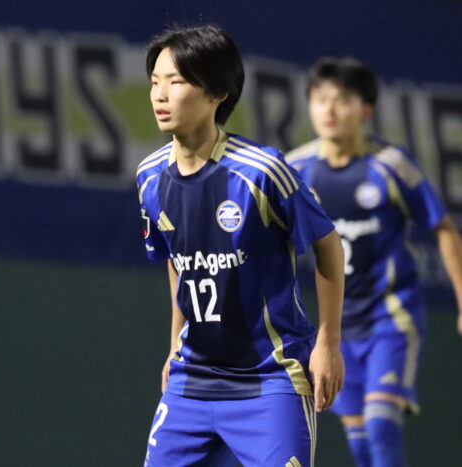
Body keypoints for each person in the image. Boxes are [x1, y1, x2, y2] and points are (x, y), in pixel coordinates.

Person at [137, 25, 345, 467]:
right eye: (155, 82)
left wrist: (328, 342)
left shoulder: (262, 172)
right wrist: (174, 344)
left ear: (218, 93)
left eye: (176, 81)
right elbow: (178, 260)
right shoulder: (149, 178)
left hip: (270, 381)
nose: (160, 95)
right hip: (192, 382)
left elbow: (328, 245)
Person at [286, 57, 462, 467]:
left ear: (366, 109)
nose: (329, 110)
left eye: (342, 100)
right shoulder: (295, 170)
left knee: (381, 427)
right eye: (320, 99)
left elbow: (443, 227)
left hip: (391, 319)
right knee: (362, 443)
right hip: (336, 330)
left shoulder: (391, 165)